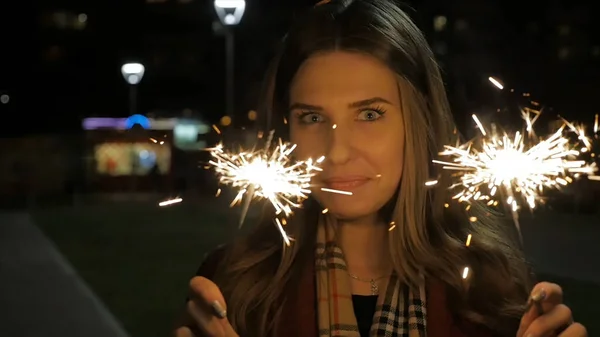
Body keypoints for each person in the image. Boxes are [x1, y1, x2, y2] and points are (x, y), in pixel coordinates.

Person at [173, 0, 588, 336]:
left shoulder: (494, 294)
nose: (336, 152)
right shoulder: (235, 289)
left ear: (419, 123)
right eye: (313, 118)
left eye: (369, 114)